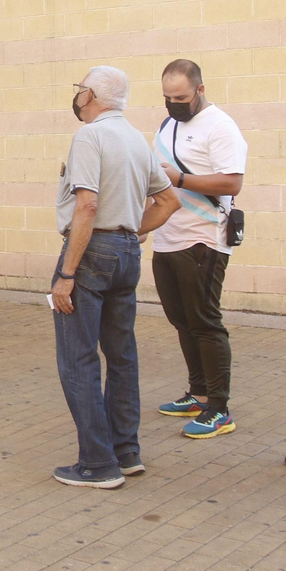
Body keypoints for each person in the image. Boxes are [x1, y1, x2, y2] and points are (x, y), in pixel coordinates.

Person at [50, 67, 180, 488]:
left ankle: (97, 463)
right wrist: (135, 231)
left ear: (89, 95)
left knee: (78, 358)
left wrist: (67, 272)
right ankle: (126, 452)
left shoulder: (91, 136)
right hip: (124, 251)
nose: (77, 96)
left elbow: (86, 206)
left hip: (92, 252)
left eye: (79, 88)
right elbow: (169, 200)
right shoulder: (135, 140)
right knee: (121, 355)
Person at [151, 58, 248, 439]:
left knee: (205, 322)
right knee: (181, 318)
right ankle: (197, 392)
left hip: (204, 238)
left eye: (181, 97)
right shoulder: (168, 124)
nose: (174, 103)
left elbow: (232, 183)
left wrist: (181, 178)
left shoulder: (221, 126)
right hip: (168, 235)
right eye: (167, 97)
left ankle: (219, 408)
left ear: (200, 90)